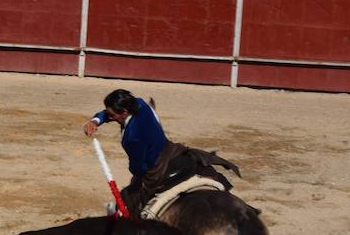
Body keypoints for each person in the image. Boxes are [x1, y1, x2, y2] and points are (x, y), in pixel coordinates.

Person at [82, 90, 236, 215]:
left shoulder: (131, 138)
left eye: (112, 115)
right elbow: (106, 113)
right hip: (173, 151)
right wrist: (96, 120)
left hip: (157, 169)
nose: (109, 117)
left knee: (131, 203)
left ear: (124, 112)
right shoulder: (140, 104)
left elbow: (139, 168)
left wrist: (135, 173)